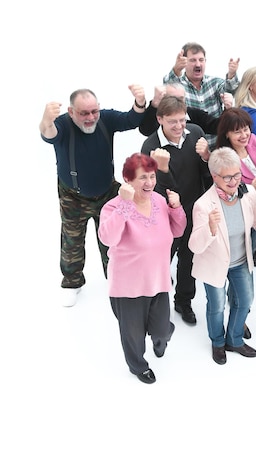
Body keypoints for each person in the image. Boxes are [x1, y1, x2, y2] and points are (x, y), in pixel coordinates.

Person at [39, 85, 147, 307]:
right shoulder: (62, 124)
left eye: (93, 112)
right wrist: (46, 120)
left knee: (113, 238)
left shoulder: (105, 119)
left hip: (106, 193)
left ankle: (115, 277)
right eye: (84, 113)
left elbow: (131, 120)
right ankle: (72, 283)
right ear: (71, 112)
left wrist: (139, 102)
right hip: (73, 196)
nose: (90, 118)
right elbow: (48, 135)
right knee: (72, 241)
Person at [98, 153, 186, 384]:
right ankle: (138, 366)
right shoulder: (113, 207)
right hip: (128, 287)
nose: (149, 182)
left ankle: (162, 336)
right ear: (128, 180)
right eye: (142, 178)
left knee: (161, 330)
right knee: (133, 336)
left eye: (152, 176)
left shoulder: (158, 200)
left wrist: (176, 208)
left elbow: (177, 231)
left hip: (158, 280)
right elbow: (108, 238)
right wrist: (125, 205)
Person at [188, 147, 256, 365]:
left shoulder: (248, 194)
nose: (235, 180)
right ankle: (217, 343)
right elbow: (194, 246)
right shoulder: (203, 205)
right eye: (228, 177)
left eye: (237, 174)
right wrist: (210, 227)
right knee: (216, 307)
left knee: (245, 300)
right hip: (214, 265)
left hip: (240, 261)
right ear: (215, 176)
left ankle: (234, 339)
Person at [141, 95, 210, 326]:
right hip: (165, 216)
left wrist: (206, 157)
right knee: (162, 260)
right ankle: (153, 305)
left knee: (189, 259)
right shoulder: (150, 146)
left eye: (182, 120)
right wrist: (162, 169)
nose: (180, 126)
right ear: (159, 119)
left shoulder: (196, 133)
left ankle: (183, 301)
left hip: (193, 209)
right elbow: (151, 189)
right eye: (173, 122)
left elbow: (205, 175)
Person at [207, 107, 256, 268]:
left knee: (253, 242)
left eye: (246, 129)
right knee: (243, 251)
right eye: (237, 132)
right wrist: (254, 191)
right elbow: (227, 192)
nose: (244, 135)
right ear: (226, 134)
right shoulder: (223, 156)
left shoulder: (252, 139)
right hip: (242, 211)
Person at [163, 42, 240, 149]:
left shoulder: (214, 82)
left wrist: (232, 74)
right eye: (193, 60)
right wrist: (176, 69)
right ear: (184, 62)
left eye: (201, 60)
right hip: (191, 148)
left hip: (217, 145)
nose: (198, 64)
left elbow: (229, 89)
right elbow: (168, 86)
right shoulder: (179, 86)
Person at [139, 83, 220, 137]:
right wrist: (155, 103)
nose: (177, 103)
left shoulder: (194, 114)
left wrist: (228, 109)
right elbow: (146, 130)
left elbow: (218, 127)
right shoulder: (160, 116)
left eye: (180, 99)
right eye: (173, 99)